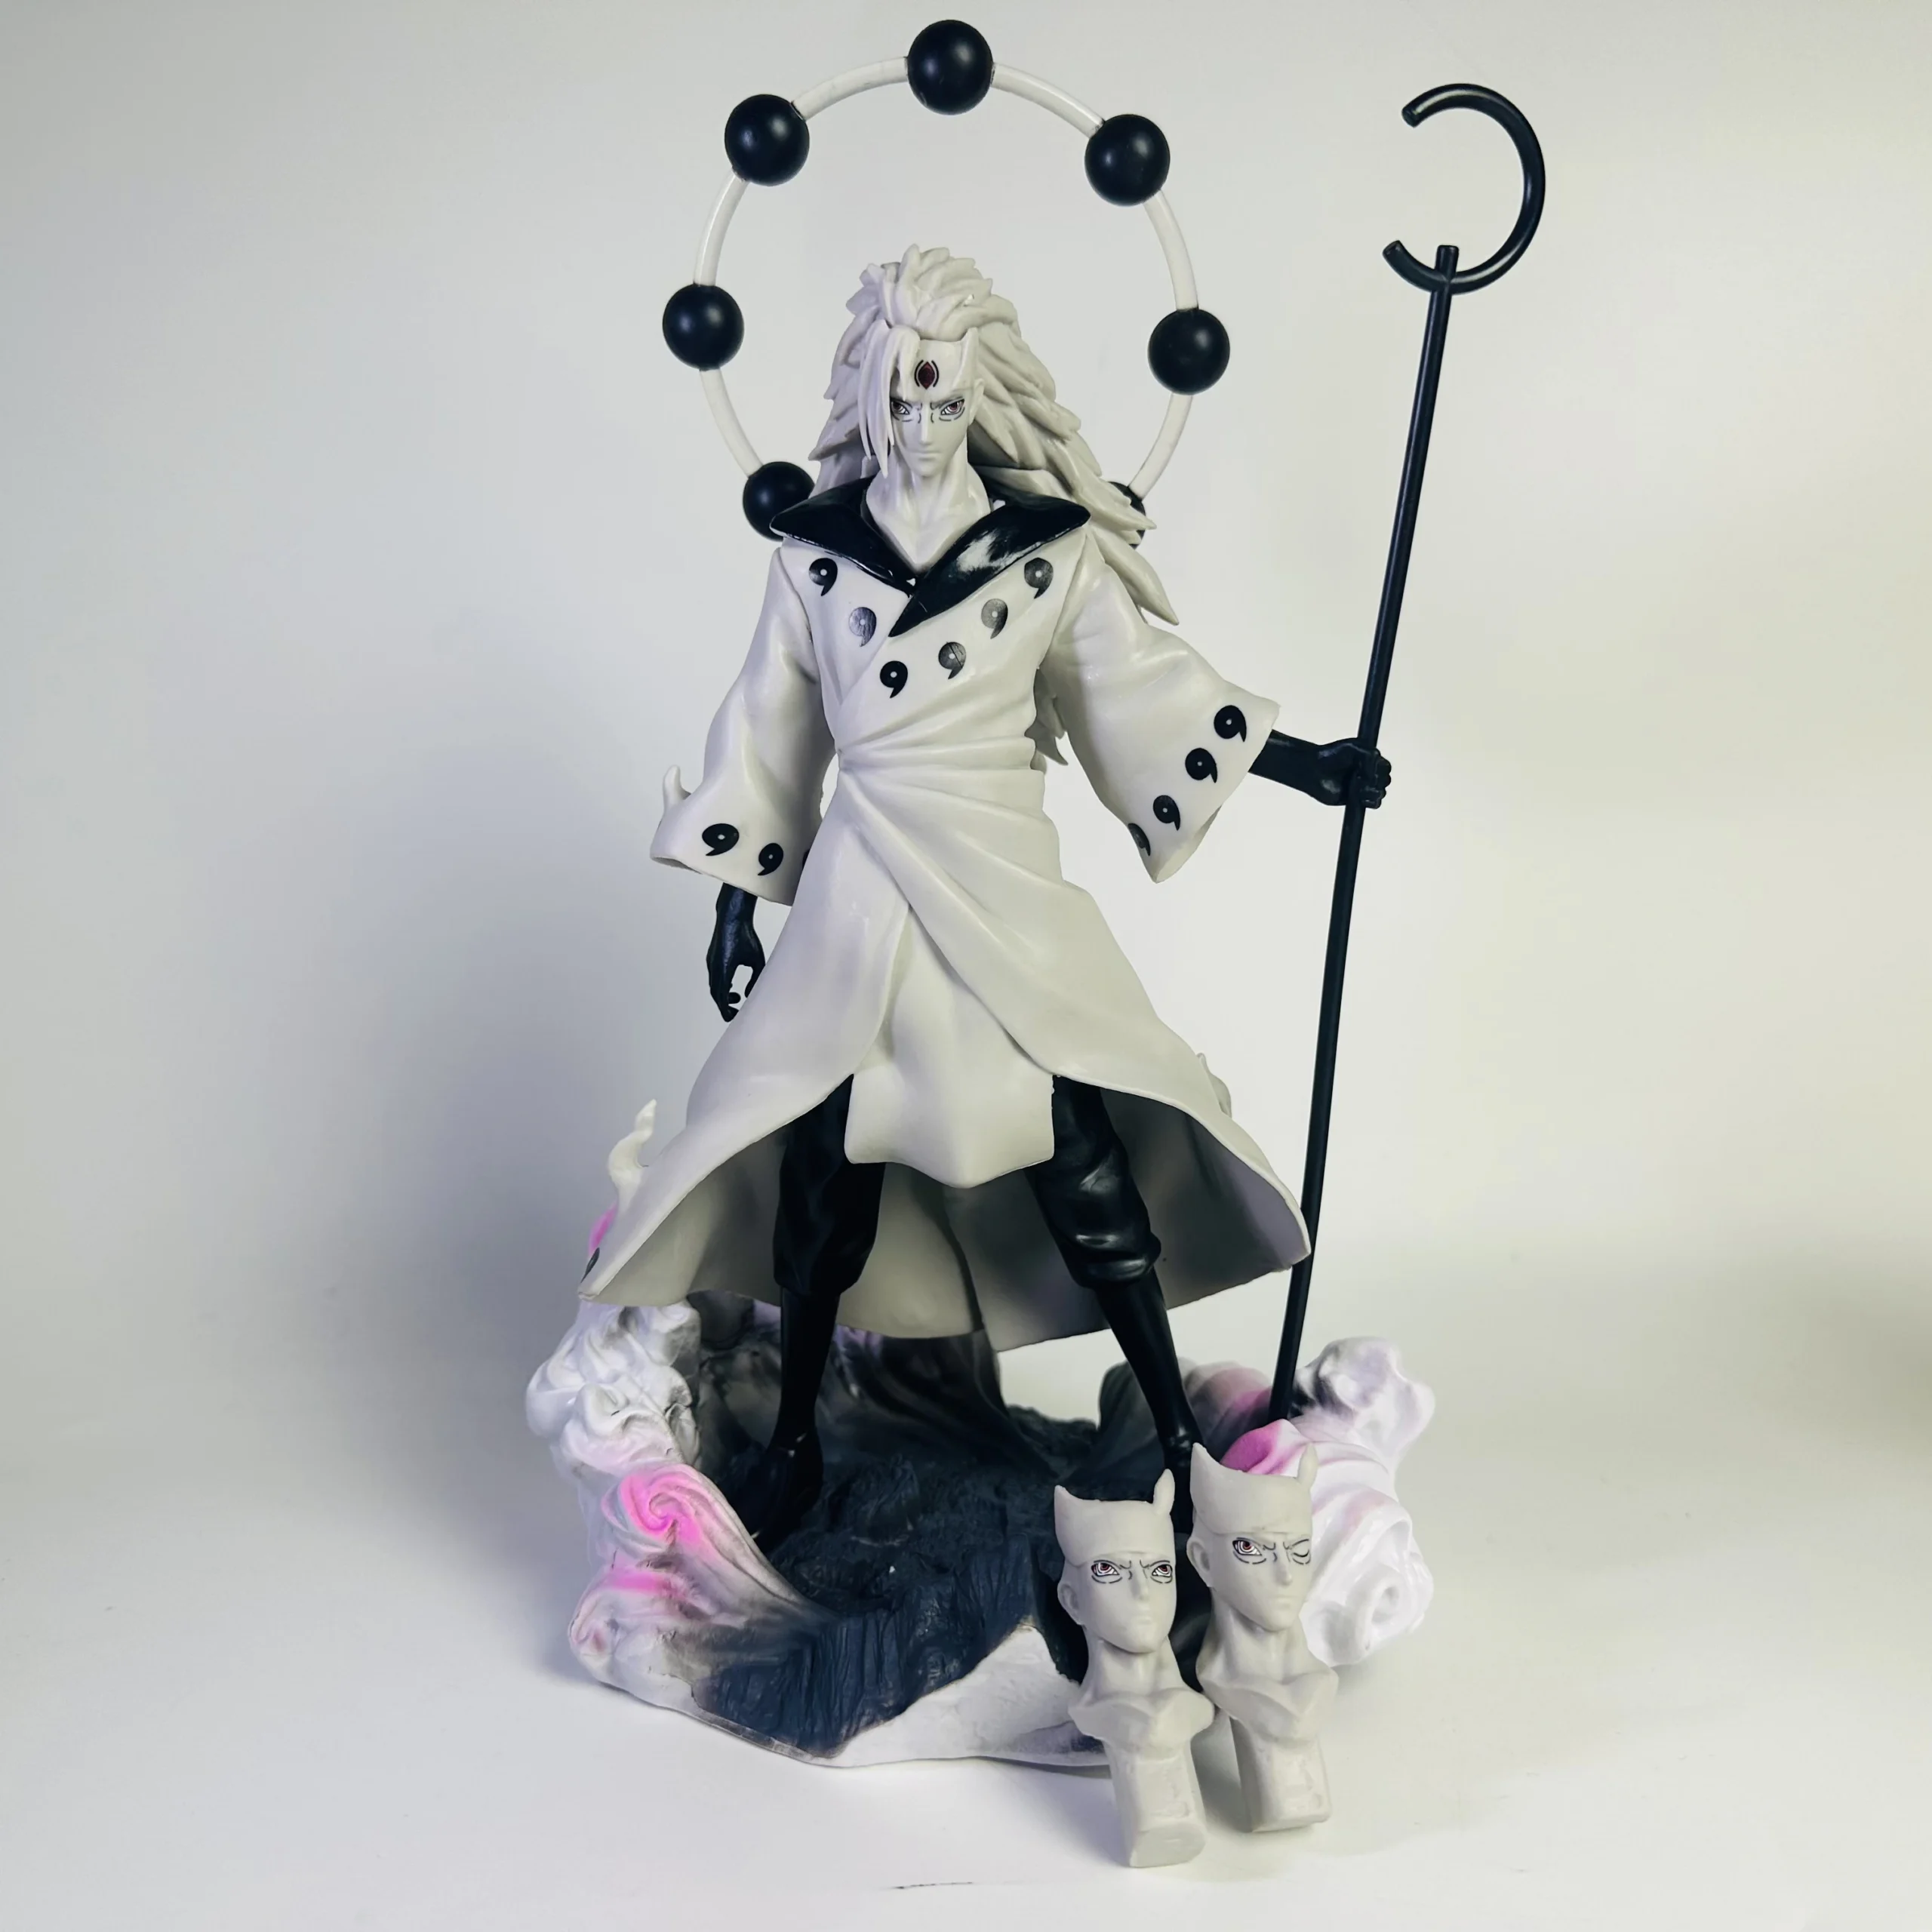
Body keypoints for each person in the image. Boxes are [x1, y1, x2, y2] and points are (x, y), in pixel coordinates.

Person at [582, 245, 1388, 1546]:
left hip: (1000, 885)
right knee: (823, 1171)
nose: (922, 418)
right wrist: (735, 901)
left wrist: (1307, 765)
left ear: (979, 395)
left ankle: (1179, 1440)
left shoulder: (1046, 557)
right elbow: (772, 731)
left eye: (945, 394)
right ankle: (793, 1438)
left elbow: (1143, 688)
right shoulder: (816, 558)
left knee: (1081, 1152)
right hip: (860, 897)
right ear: (870, 393)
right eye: (904, 390)